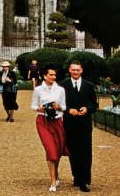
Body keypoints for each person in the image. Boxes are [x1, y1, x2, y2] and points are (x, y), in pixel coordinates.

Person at [31, 65, 68, 193]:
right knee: (50, 149)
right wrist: (39, 108)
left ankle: (56, 173)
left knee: (57, 150)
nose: (53, 77)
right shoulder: (38, 90)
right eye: (51, 75)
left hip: (57, 121)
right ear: (44, 76)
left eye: (54, 75)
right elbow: (33, 105)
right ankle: (53, 181)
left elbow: (64, 107)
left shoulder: (60, 90)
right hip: (43, 121)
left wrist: (58, 107)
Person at [63, 60, 97, 192]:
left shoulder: (89, 86)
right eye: (73, 70)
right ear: (69, 70)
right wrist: (68, 109)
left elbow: (94, 105)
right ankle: (77, 176)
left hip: (84, 124)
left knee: (85, 152)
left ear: (81, 70)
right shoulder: (63, 85)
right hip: (69, 124)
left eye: (78, 70)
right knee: (73, 152)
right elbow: (59, 104)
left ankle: (85, 180)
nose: (75, 72)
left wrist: (87, 109)